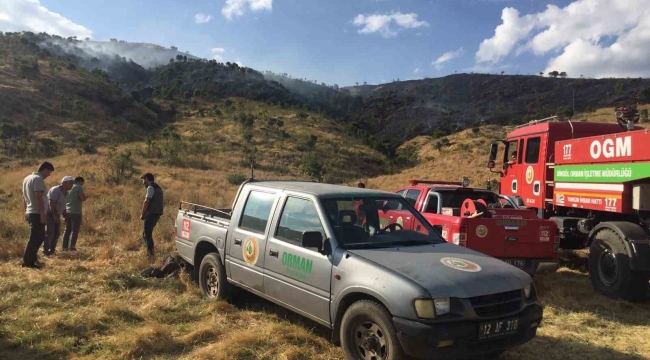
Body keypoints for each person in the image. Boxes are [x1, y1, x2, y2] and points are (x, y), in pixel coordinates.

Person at [22, 161, 54, 268]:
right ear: (44, 170)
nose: (49, 175)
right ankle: (28, 262)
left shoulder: (27, 178)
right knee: (35, 238)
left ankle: (32, 259)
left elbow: (24, 198)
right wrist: (42, 214)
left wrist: (25, 211)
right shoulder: (38, 179)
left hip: (31, 211)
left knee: (38, 237)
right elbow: (38, 197)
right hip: (36, 212)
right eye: (49, 172)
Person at [44, 176, 74, 255]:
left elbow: (63, 206)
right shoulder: (55, 190)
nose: (72, 185)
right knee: (50, 232)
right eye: (70, 183)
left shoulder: (67, 193)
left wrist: (65, 217)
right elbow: (52, 203)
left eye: (72, 183)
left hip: (57, 214)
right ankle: (46, 251)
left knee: (57, 233)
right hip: (50, 214)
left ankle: (52, 251)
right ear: (64, 183)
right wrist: (55, 215)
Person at [140, 173, 164, 256]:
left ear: (147, 179)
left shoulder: (150, 188)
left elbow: (146, 201)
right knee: (146, 234)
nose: (143, 182)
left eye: (143, 180)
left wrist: (142, 214)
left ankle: (150, 254)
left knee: (147, 235)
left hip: (151, 214)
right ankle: (150, 252)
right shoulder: (158, 187)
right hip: (157, 214)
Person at [62, 176, 87, 251]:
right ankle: (72, 247)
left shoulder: (68, 188)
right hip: (76, 211)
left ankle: (64, 247)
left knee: (67, 230)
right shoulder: (78, 187)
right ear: (80, 181)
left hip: (67, 211)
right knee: (75, 230)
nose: (82, 185)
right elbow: (82, 198)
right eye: (82, 183)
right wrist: (85, 197)